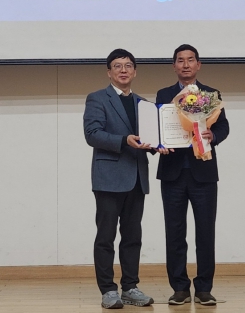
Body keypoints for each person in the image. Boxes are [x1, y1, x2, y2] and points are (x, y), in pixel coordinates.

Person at [156, 44, 230, 306]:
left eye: (190, 60)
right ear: (174, 66)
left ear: (198, 64)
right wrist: (159, 143)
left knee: (205, 233)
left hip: (204, 173)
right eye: (180, 60)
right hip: (172, 173)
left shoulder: (211, 94)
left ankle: (204, 289)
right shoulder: (164, 94)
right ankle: (179, 288)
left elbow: (223, 126)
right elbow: (159, 128)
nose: (185, 65)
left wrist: (213, 135)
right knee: (174, 233)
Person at [83, 48, 157, 309]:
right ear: (109, 72)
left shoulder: (144, 104)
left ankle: (130, 287)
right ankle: (108, 290)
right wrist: (124, 140)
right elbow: (92, 134)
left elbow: (148, 138)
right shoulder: (97, 98)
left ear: (135, 71)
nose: (123, 70)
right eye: (117, 66)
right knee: (105, 237)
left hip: (136, 177)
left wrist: (158, 145)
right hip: (109, 178)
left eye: (128, 66)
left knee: (133, 237)